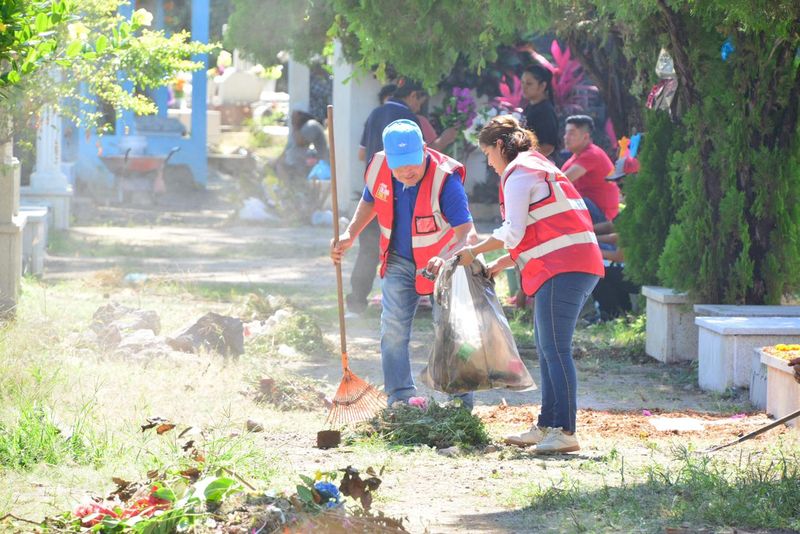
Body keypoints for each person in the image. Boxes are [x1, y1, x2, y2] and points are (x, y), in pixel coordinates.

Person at [455, 115, 604, 453]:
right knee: (548, 347)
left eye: (488, 155)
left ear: (498, 146)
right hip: (570, 263)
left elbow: (512, 232)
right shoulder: (538, 166)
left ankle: (564, 431)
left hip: (566, 267)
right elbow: (538, 231)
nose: (490, 164)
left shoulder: (519, 172)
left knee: (555, 350)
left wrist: (473, 251)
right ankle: (548, 425)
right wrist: (497, 264)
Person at [331, 119, 476, 409]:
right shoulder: (379, 166)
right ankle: (400, 396)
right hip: (398, 260)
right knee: (393, 330)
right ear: (387, 157)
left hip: (442, 266)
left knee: (450, 332)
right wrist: (349, 234)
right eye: (399, 166)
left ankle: (459, 403)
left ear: (424, 149)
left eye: (412, 163)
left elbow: (467, 234)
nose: (406, 172)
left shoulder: (444, 179)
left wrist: (448, 258)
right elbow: (370, 200)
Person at [345, 81, 426, 316]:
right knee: (405, 249)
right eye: (419, 101)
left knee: (368, 249)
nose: (419, 107)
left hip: (376, 188)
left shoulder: (375, 113)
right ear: (412, 96)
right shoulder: (409, 119)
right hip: (404, 194)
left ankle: (357, 303)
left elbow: (362, 153)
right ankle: (407, 302)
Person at [561, 115, 619, 221]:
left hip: (601, 215)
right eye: (566, 133)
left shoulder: (592, 154)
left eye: (571, 133)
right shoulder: (574, 158)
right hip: (588, 209)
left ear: (585, 137)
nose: (566, 137)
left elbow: (562, 181)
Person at [521, 64, 559, 158]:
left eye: (529, 83)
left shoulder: (545, 111)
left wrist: (526, 158)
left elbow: (548, 147)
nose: (524, 87)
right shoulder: (529, 107)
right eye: (522, 82)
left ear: (542, 86)